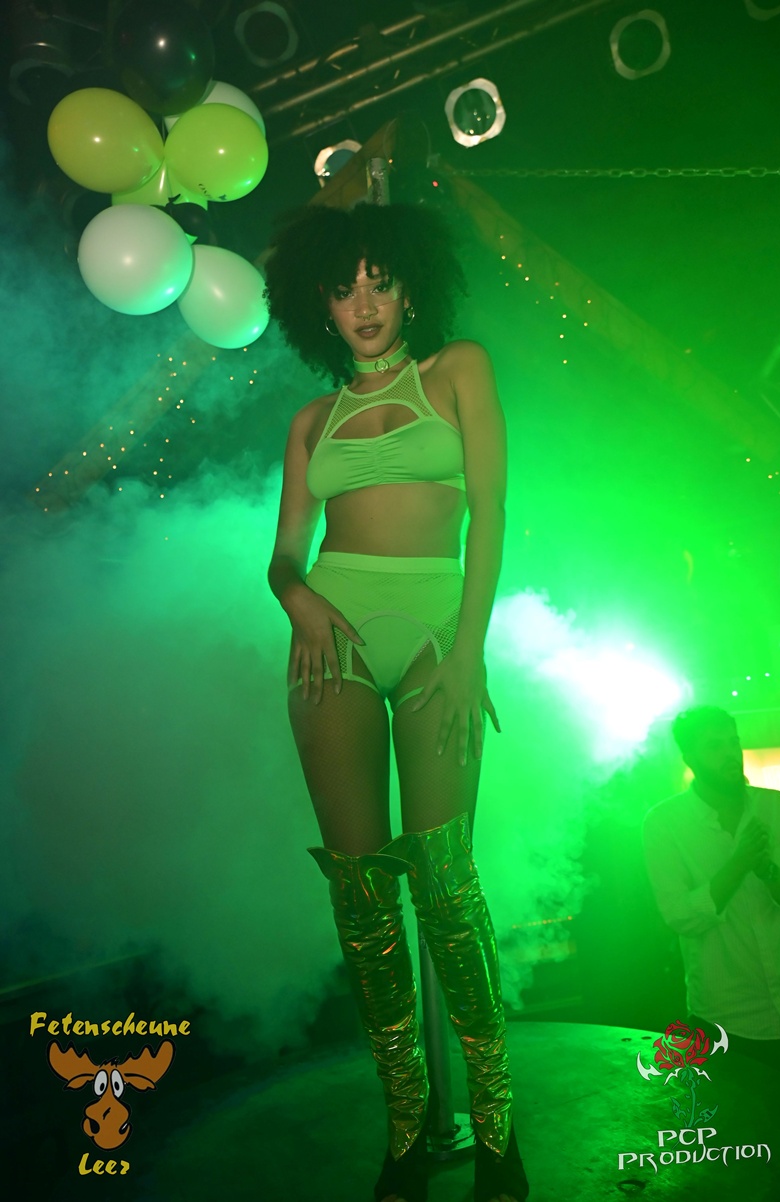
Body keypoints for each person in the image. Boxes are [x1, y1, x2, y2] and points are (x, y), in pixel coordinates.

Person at [264, 202, 528, 1202]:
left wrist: (468, 651)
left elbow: (491, 510)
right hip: (331, 639)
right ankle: (406, 1130)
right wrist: (297, 600)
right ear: (321, 307)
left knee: (447, 884)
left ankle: (496, 1127)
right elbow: (286, 555)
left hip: (434, 633)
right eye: (344, 289)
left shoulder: (457, 369)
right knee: (363, 897)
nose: (365, 302)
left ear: (410, 288)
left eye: (380, 281)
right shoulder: (309, 421)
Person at [643, 705, 780, 1080]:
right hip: (724, 1018)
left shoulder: (777, 807)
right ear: (690, 758)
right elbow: (680, 917)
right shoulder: (664, 823)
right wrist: (739, 861)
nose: (730, 753)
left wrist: (767, 870)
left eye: (733, 742)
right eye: (715, 746)